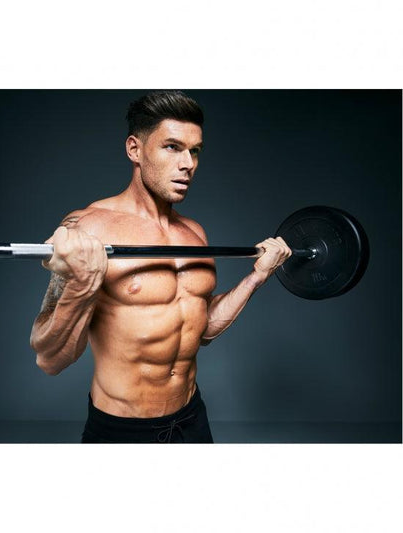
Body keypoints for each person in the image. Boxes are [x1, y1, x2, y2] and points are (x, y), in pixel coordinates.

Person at [30, 90, 291, 443]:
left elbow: (200, 330)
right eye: (172, 147)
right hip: (121, 430)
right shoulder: (88, 228)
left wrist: (257, 277)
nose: (188, 164)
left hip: (192, 420)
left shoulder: (195, 234)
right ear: (134, 149)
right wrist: (82, 284)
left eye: (194, 151)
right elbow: (50, 359)